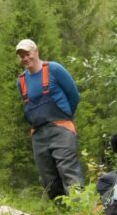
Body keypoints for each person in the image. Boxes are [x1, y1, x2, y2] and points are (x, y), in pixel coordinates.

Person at [14, 39, 84, 202]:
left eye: (27, 53)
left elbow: (74, 96)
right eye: (21, 56)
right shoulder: (21, 81)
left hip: (61, 128)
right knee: (48, 179)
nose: (25, 58)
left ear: (36, 51)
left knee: (68, 171)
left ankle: (80, 212)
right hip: (38, 134)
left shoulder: (54, 69)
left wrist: (65, 119)